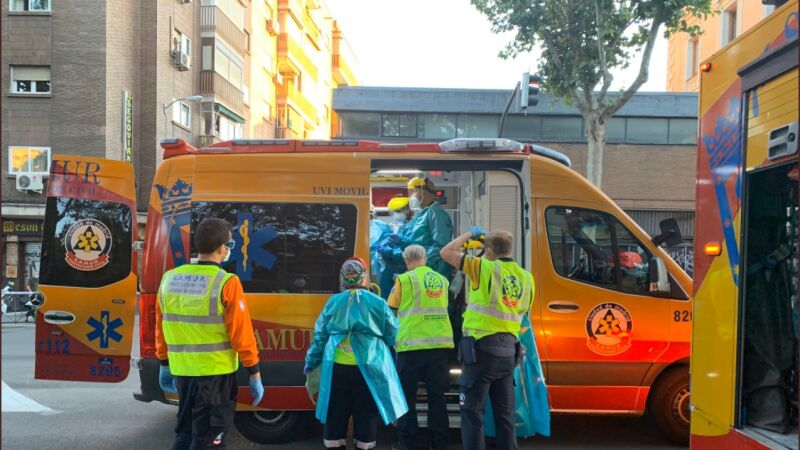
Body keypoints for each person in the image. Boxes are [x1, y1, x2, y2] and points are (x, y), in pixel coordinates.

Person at [156, 218, 264, 450]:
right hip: (215, 375)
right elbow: (241, 334)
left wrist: (164, 363)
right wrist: (254, 372)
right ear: (222, 247)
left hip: (182, 373)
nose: (229, 250)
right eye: (230, 245)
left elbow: (161, 326)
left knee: (185, 434)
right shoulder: (227, 282)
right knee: (210, 440)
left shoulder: (169, 279)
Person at [440, 228, 536, 450]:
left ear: (489, 250)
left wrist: (469, 235)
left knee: (472, 412)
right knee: (505, 415)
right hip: (509, 352)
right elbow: (523, 312)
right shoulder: (526, 277)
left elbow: (446, 252)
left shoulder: (483, 267)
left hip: (481, 352)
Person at [304, 257, 408, 449]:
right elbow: (393, 332)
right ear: (364, 277)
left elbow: (320, 337)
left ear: (342, 277)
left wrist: (310, 363)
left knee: (335, 414)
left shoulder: (333, 302)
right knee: (366, 414)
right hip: (369, 368)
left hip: (336, 368)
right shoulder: (377, 302)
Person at [387, 245, 453, 450]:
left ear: (406, 261)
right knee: (437, 398)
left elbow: (390, 310)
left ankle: (408, 443)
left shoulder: (404, 280)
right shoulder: (442, 280)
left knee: (407, 398)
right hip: (439, 346)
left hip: (411, 347)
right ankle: (438, 443)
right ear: (425, 258)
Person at [404, 177, 454, 279]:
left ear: (424, 192)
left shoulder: (437, 214)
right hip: (423, 269)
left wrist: (420, 264)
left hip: (435, 271)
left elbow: (440, 246)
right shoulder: (423, 214)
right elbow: (417, 241)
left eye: (415, 191)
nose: (412, 196)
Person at [373, 196, 415, 299]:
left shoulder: (413, 228)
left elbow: (410, 252)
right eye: (394, 211)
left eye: (398, 211)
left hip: (404, 271)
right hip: (391, 272)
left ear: (408, 210)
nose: (396, 214)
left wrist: (388, 252)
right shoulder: (398, 227)